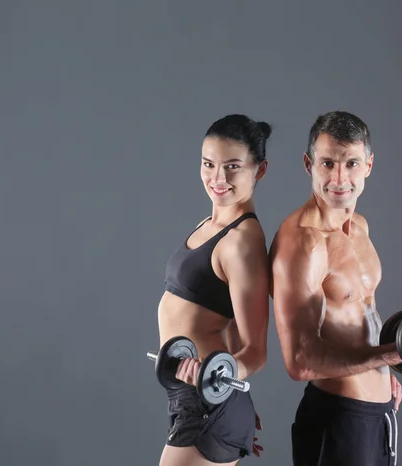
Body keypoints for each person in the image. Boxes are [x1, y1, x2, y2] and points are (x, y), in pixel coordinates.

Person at [268, 111, 402, 466]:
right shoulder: (302, 242)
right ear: (308, 164)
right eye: (328, 163)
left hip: (380, 414)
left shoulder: (358, 226)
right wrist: (389, 356)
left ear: (369, 165)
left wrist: (385, 375)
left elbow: (362, 313)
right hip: (339, 419)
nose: (339, 178)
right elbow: (299, 361)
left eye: (351, 163)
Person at [156, 114, 271, 466]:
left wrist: (216, 380)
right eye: (209, 164)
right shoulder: (208, 224)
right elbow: (232, 325)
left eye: (233, 167)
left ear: (259, 170)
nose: (218, 178)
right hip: (197, 398)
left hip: (206, 402)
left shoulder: (241, 242)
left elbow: (254, 352)